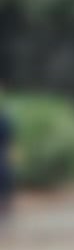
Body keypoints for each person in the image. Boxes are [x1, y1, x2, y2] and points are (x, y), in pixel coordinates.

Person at [0, 84, 17, 229]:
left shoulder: (4, 117)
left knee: (5, 175)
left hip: (3, 152)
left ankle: (6, 206)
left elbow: (10, 139)